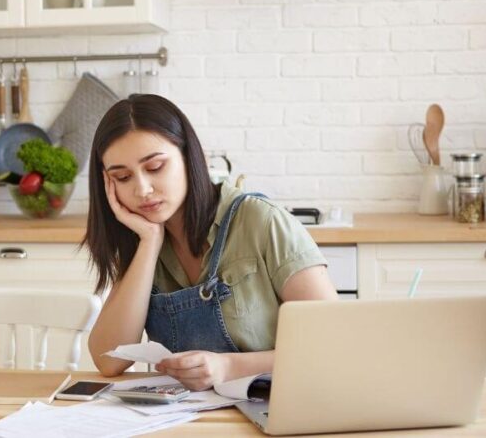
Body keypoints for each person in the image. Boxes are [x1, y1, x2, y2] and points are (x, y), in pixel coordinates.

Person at [83, 94, 337, 391]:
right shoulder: (143, 241)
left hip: (280, 407)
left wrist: (228, 367)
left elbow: (333, 343)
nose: (142, 189)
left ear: (189, 157)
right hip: (192, 418)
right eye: (123, 177)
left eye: (155, 168)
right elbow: (108, 361)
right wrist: (150, 243)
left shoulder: (261, 221)